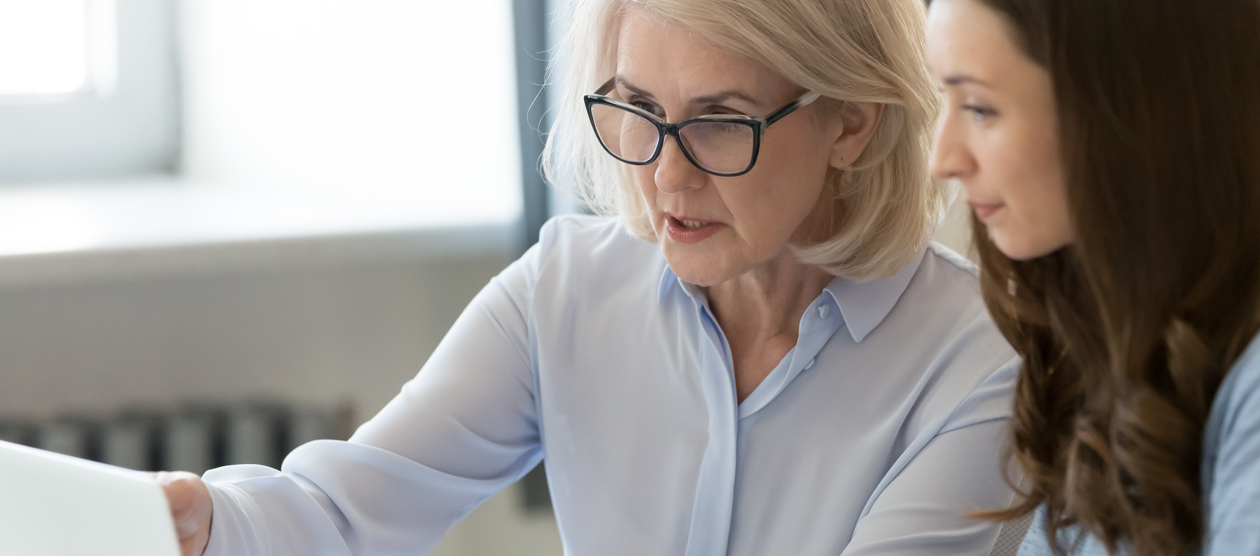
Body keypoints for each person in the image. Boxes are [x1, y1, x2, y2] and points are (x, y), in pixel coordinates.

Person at [156, 0, 1024, 554]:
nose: (666, 178)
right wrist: (207, 522)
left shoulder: (980, 362)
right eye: (639, 110)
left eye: (721, 123)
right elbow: (346, 511)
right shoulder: (566, 291)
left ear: (852, 123)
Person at [922, 0, 1260, 554]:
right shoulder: (1127, 362)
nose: (943, 158)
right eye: (944, 102)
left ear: (1129, 107)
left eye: (978, 108)